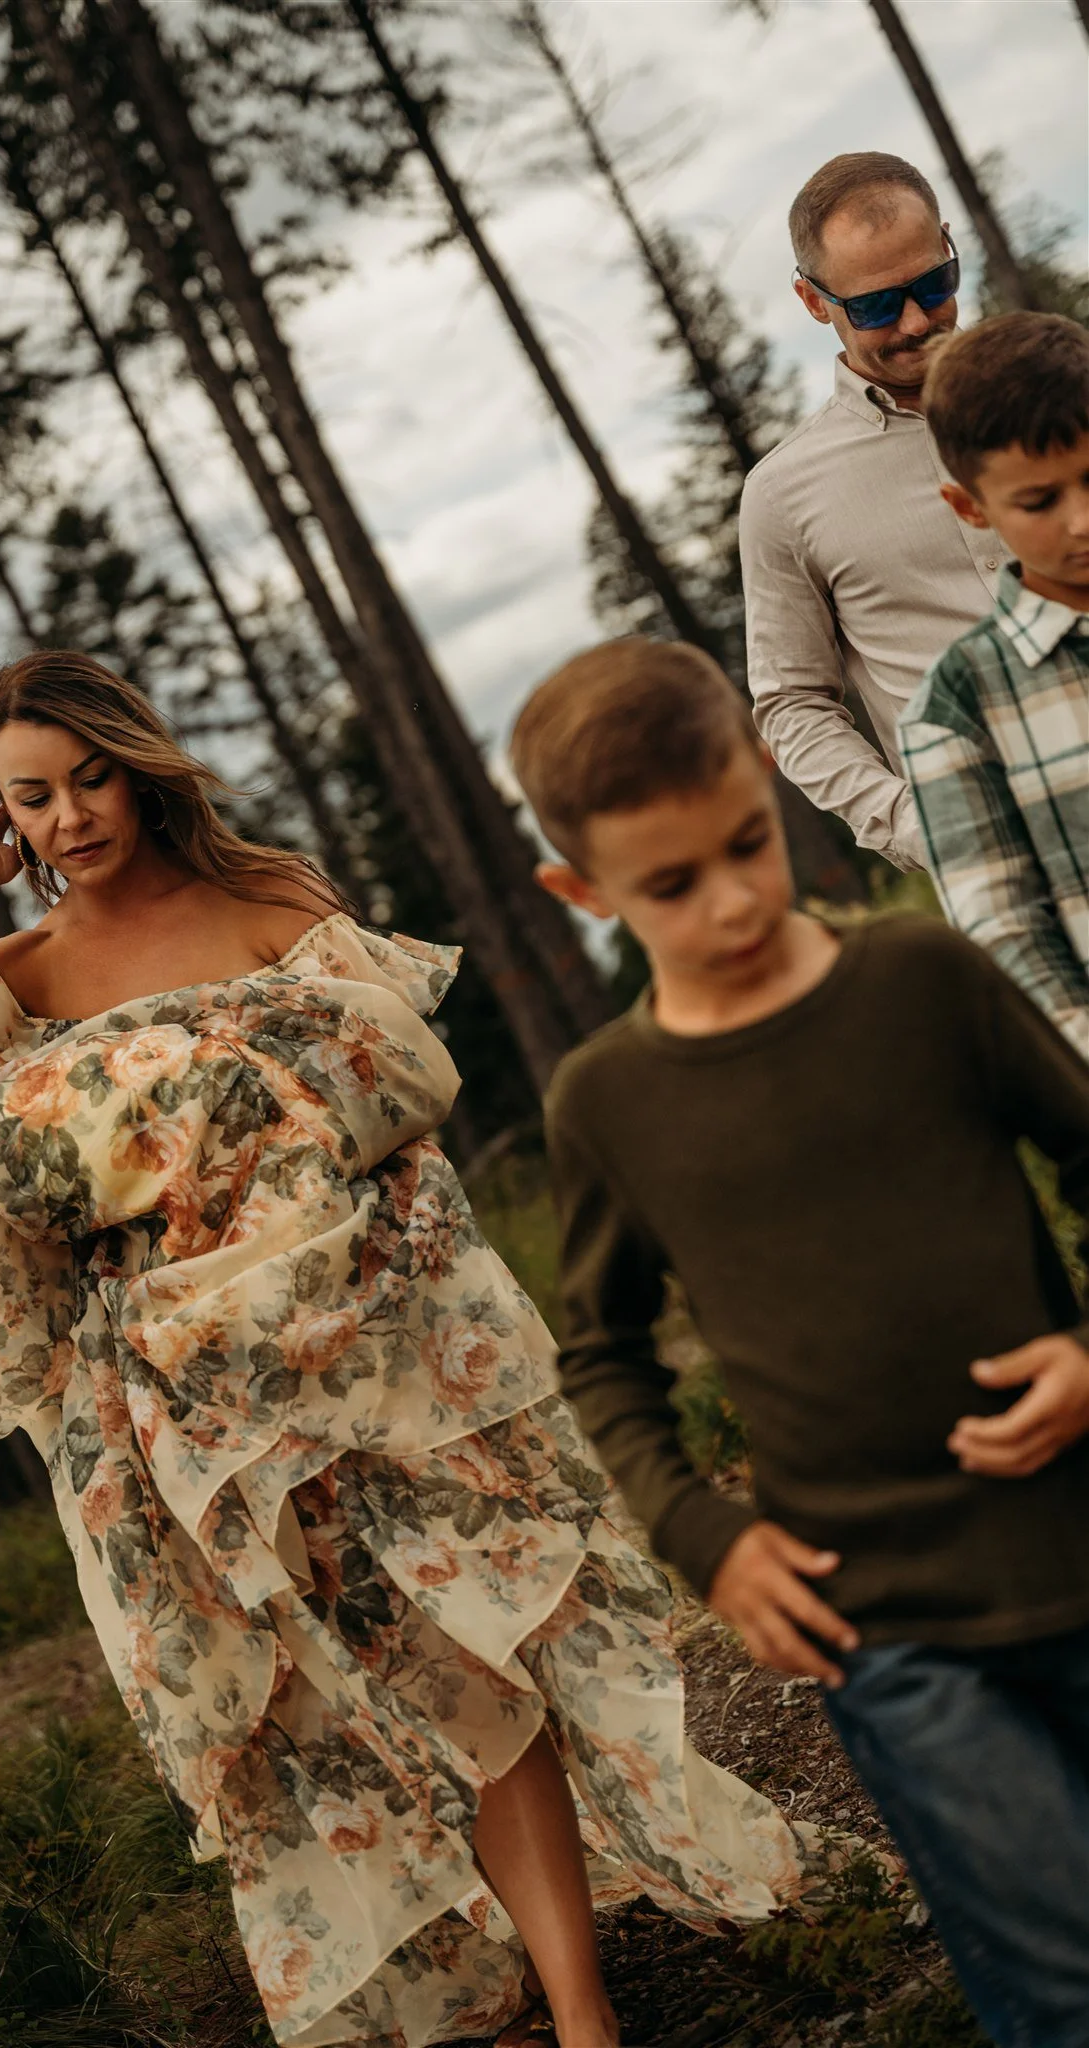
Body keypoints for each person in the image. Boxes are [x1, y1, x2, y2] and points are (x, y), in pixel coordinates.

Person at [0, 650, 843, 2048]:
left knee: (480, 1670)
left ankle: (582, 2012)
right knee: (316, 1719)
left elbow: (398, 1107)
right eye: (32, 798)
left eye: (92, 778)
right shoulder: (18, 975)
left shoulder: (271, 904)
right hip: (184, 1423)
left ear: (139, 765)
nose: (72, 815)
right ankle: (466, 1985)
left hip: (376, 1363)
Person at [511, 636, 1089, 2048]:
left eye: (746, 847)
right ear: (579, 894)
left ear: (767, 785)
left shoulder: (924, 982)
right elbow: (602, 1354)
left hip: (1080, 1529)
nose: (732, 903)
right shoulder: (610, 1102)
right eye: (670, 886)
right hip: (878, 1617)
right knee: (1061, 1977)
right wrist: (707, 1536)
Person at [741, 150, 1008, 873]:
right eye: (876, 305)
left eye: (933, 284)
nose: (917, 322)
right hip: (1005, 877)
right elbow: (792, 704)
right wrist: (914, 826)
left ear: (949, 245)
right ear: (812, 301)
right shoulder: (780, 496)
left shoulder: (1062, 386)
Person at [899, 312, 1089, 1060]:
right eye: (1039, 503)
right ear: (970, 507)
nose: (1082, 522)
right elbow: (1006, 934)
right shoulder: (955, 707)